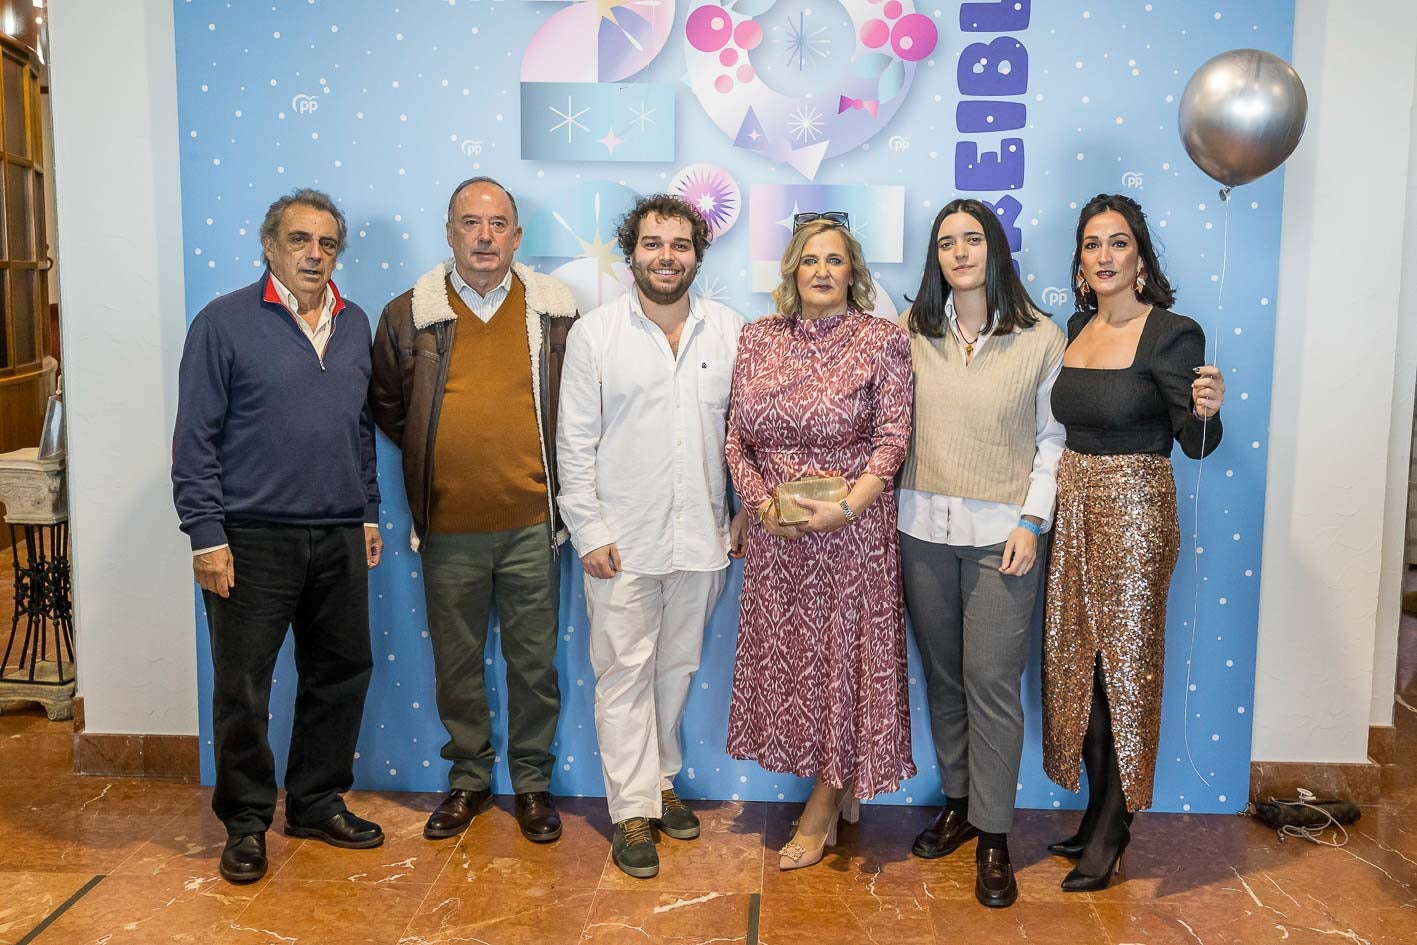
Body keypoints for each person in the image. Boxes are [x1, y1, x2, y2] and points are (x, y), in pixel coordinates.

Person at [172, 188, 385, 884]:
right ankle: (244, 822)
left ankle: (317, 801)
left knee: (340, 673)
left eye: (326, 243)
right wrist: (206, 533)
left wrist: (367, 512)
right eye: (299, 240)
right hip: (250, 538)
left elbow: (357, 432)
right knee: (243, 684)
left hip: (338, 532)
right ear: (270, 245)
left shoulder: (354, 324)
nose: (313, 254)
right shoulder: (223, 322)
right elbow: (195, 437)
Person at [369, 176, 578, 844]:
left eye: (497, 224)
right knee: (457, 666)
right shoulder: (408, 314)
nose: (483, 236)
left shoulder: (555, 310)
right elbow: (389, 407)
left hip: (531, 526)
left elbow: (576, 407)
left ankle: (534, 784)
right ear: (450, 231)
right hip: (447, 527)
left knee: (533, 665)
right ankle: (468, 781)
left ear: (517, 236)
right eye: (470, 223)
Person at [557, 194, 750, 879]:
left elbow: (745, 438)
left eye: (678, 244)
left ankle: (661, 779)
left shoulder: (730, 331)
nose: (665, 256)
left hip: (702, 536)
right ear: (632, 251)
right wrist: (588, 529)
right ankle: (631, 810)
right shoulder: (595, 335)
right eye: (651, 243)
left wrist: (746, 510)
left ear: (697, 254)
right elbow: (573, 445)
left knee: (677, 668)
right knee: (623, 673)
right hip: (620, 540)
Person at [1042, 193, 1225, 891]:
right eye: (1092, 244)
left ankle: (1117, 824)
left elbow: (1197, 443)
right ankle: (1095, 811)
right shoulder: (1074, 325)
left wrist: (1208, 409)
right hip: (1073, 505)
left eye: (1118, 243)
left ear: (1139, 256)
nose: (1105, 256)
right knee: (1076, 666)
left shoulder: (1174, 333)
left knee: (1124, 669)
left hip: (1136, 511)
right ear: (1080, 261)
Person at [724, 214, 914, 871]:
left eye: (835, 260)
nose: (822, 271)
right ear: (792, 271)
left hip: (849, 539)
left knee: (841, 669)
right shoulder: (756, 338)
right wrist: (758, 505)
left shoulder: (880, 340)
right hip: (778, 541)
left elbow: (891, 440)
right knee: (793, 671)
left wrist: (847, 512)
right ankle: (836, 784)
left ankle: (823, 804)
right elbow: (735, 438)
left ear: (853, 272)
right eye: (810, 259)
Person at [897, 199, 1066, 908]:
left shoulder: (1039, 337)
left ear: (995, 249)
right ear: (934, 258)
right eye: (945, 243)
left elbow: (1052, 440)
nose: (959, 252)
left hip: (1004, 537)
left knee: (989, 682)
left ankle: (994, 833)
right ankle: (960, 804)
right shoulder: (910, 332)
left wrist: (1032, 519)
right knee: (943, 678)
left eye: (971, 239)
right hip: (919, 528)